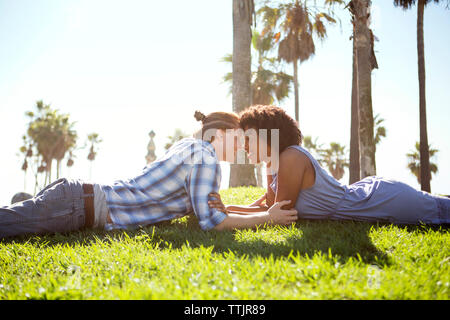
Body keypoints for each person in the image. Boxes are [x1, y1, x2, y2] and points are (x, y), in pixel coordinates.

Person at [0, 110, 297, 239]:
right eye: (237, 138)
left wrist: (230, 207)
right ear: (219, 134)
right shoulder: (206, 159)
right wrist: (267, 218)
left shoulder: (189, 147)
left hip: (78, 198)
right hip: (79, 206)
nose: (243, 147)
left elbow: (202, 213)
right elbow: (211, 223)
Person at [208, 105, 450, 225]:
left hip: (384, 201)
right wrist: (229, 208)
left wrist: (227, 211)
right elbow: (271, 207)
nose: (245, 147)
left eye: (248, 139)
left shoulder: (291, 158)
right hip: (368, 194)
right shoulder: (274, 164)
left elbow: (280, 215)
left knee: (442, 211)